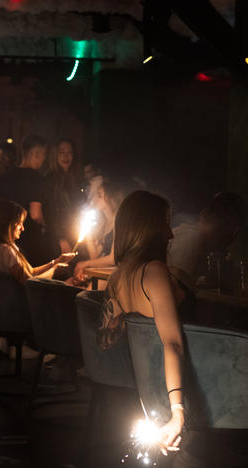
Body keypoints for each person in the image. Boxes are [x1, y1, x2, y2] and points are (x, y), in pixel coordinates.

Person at [97, 191, 190, 461]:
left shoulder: (119, 277)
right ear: (148, 228)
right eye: (165, 224)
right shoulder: (154, 272)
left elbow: (104, 342)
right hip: (180, 388)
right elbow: (172, 343)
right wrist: (178, 411)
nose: (171, 234)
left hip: (139, 390)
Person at [0, 135, 48, 265]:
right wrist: (45, 225)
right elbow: (35, 214)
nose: (44, 159)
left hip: (7, 239)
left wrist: (6, 220)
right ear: (36, 154)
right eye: (43, 155)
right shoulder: (37, 179)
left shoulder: (7, 175)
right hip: (30, 239)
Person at [168, 192, 248, 286]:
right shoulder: (191, 239)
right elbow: (176, 286)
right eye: (231, 227)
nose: (233, 236)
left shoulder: (195, 239)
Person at [0, 200, 75, 283]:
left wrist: (56, 262)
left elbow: (30, 271)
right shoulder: (6, 251)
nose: (23, 229)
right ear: (8, 224)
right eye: (19, 223)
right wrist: (54, 270)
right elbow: (29, 283)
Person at [73, 181, 126, 282]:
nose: (94, 199)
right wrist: (86, 231)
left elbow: (112, 259)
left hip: (116, 274)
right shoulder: (103, 222)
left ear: (111, 198)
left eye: (99, 195)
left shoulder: (119, 221)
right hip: (102, 272)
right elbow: (95, 256)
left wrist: (85, 264)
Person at [45, 139, 85, 255]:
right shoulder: (50, 180)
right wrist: (60, 238)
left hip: (75, 232)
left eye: (70, 152)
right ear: (55, 155)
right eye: (62, 152)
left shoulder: (75, 178)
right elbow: (50, 212)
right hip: (59, 237)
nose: (66, 156)